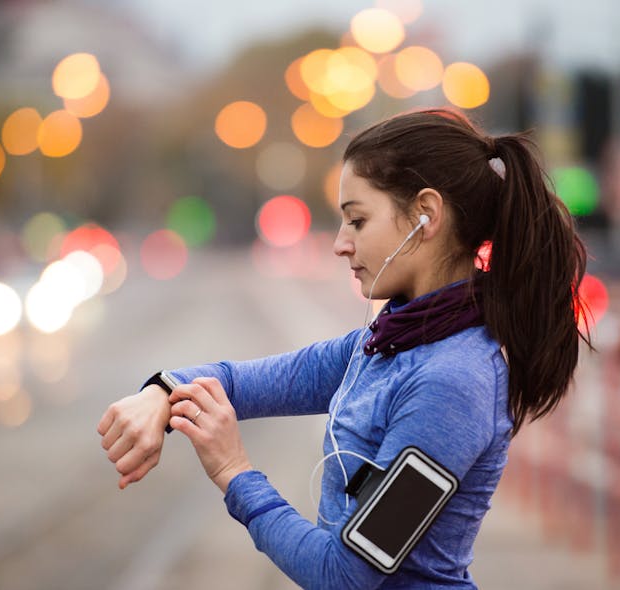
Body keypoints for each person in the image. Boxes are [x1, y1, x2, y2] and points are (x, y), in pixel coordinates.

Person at [97, 107, 590, 589]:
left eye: (357, 221)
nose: (339, 244)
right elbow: (238, 382)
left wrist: (233, 471)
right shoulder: (379, 347)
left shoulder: (453, 383)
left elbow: (346, 576)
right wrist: (159, 392)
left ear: (426, 215)